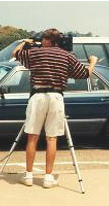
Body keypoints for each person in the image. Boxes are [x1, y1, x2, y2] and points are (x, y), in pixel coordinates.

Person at [12, 28, 98, 188]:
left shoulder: (35, 53)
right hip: (56, 97)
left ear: (48, 41)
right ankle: (48, 178)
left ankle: (29, 175)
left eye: (43, 38)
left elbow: (15, 53)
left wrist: (25, 42)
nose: (40, 41)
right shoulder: (67, 56)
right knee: (52, 138)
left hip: (37, 96)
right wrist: (93, 62)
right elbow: (85, 74)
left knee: (32, 137)